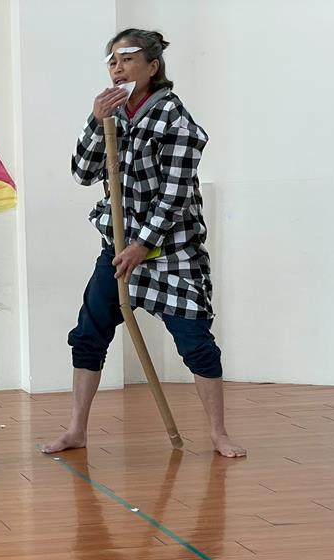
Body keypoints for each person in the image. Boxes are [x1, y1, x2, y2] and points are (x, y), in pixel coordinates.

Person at [43, 29, 245, 458]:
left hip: (172, 252)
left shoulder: (176, 120)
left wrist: (142, 245)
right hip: (119, 248)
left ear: (153, 66)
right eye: (112, 61)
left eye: (127, 59)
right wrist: (96, 120)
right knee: (88, 335)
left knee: (196, 342)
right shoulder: (111, 114)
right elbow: (82, 173)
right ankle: (76, 429)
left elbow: (174, 194)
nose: (117, 68)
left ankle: (218, 433)